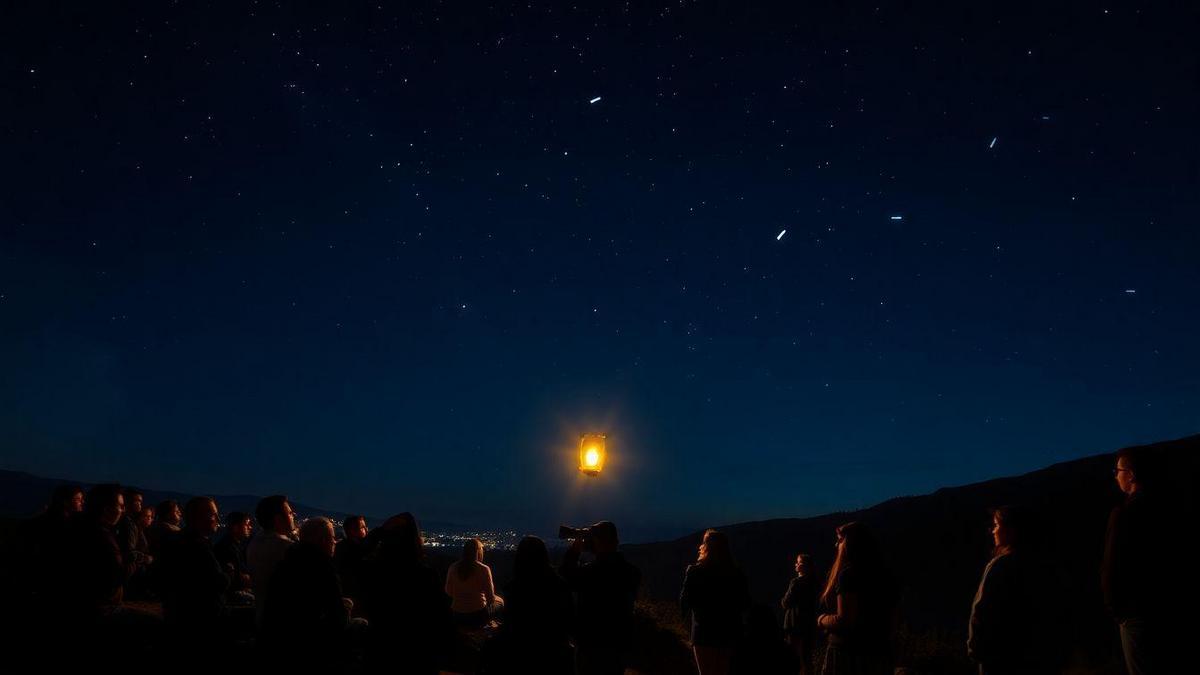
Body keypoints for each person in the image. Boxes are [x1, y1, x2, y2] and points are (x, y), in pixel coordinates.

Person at [1102, 446, 1175, 674]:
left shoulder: (1124, 513)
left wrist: (1116, 609)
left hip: (1135, 612)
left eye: (1118, 471)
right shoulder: (1170, 509)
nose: (1116, 476)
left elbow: (1112, 565)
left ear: (1131, 475)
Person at [967, 506, 1059, 675]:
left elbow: (980, 611)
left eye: (996, 525)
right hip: (1029, 655)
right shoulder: (1040, 566)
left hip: (997, 655)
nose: (993, 531)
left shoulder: (1000, 566)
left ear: (1010, 531)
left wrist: (974, 647)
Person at [360, 512, 453, 674]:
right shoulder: (426, 576)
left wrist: (380, 531)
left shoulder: (373, 572)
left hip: (381, 652)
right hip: (418, 655)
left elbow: (360, 553)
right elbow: (441, 618)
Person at [261, 517, 354, 667]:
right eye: (332, 538)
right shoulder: (324, 568)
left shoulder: (285, 563)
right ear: (322, 540)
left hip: (276, 640)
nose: (335, 542)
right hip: (310, 644)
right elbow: (337, 617)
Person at [560, 520, 641, 675]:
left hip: (590, 646)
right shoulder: (632, 573)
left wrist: (574, 551)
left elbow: (566, 575)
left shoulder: (590, 573)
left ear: (597, 542)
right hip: (618, 646)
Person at [816, 521, 898, 675]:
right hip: (879, 652)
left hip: (847, 654)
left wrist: (822, 619)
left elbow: (845, 620)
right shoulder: (886, 575)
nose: (836, 545)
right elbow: (893, 619)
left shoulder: (848, 575)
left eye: (840, 540)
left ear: (850, 544)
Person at [485, 535, 574, 674]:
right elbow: (568, 620)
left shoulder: (513, 588)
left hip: (520, 655)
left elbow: (512, 625)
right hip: (555, 654)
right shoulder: (560, 585)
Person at [156, 497, 230, 640]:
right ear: (198, 517)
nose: (217, 518)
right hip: (202, 622)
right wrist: (228, 573)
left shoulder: (176, 540)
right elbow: (217, 583)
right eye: (213, 514)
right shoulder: (198, 546)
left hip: (178, 618)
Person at [680, 529, 751, 675]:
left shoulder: (695, 572)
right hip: (729, 631)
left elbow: (685, 601)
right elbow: (745, 602)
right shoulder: (736, 573)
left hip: (703, 631)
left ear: (706, 547)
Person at [246, 495, 296, 626]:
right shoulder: (285, 547)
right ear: (278, 519)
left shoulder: (254, 544)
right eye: (290, 513)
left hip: (262, 617)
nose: (294, 515)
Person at [446, 537, 501, 628]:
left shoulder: (453, 567)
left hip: (457, 615)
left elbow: (448, 591)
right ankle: (491, 624)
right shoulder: (484, 569)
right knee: (501, 602)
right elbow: (490, 599)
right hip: (478, 616)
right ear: (478, 552)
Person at [781, 553, 818, 675]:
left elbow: (786, 602)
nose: (796, 564)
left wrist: (784, 601)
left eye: (799, 562)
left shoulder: (796, 582)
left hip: (794, 625)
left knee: (793, 658)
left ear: (805, 566)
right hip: (808, 625)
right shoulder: (814, 583)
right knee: (807, 658)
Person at [213, 511, 254, 602]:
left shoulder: (233, 545)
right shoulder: (227, 548)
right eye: (247, 524)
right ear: (236, 527)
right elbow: (236, 578)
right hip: (229, 594)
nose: (250, 527)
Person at [335, 514, 369, 602]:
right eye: (362, 527)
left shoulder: (340, 547)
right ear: (352, 531)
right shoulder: (354, 550)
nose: (366, 530)